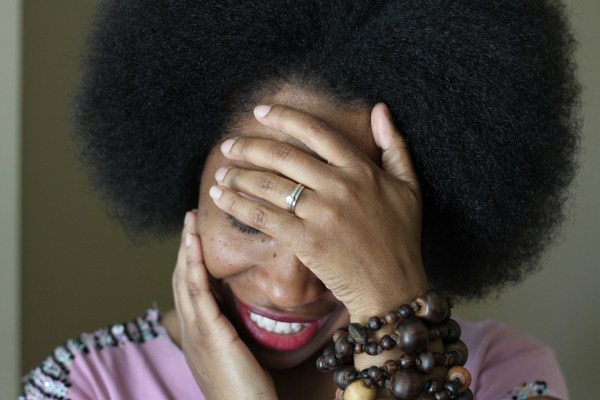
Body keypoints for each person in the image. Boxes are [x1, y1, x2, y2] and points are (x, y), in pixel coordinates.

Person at [20, 0, 580, 399]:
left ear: (410, 218)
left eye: (342, 232)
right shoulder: (83, 385)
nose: (288, 288)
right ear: (186, 173)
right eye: (247, 220)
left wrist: (393, 321)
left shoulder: (505, 374)